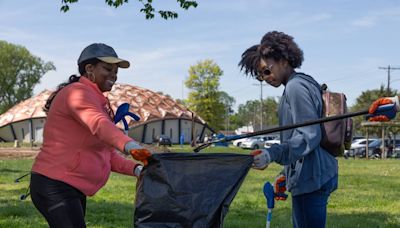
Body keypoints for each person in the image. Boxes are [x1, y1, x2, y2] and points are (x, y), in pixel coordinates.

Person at [29, 43, 152, 228]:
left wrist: (136, 170)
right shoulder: (77, 92)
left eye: (116, 70)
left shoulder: (98, 100)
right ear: (89, 69)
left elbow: (106, 155)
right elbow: (98, 124)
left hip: (70, 187)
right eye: (108, 68)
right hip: (55, 184)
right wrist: (130, 146)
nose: (114, 75)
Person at [239, 31, 338, 228]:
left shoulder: (295, 87)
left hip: (312, 178)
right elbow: (299, 136)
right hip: (311, 174)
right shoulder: (302, 82)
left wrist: (270, 154)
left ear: (283, 60)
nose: (265, 78)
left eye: (267, 70)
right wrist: (286, 174)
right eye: (260, 75)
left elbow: (308, 136)